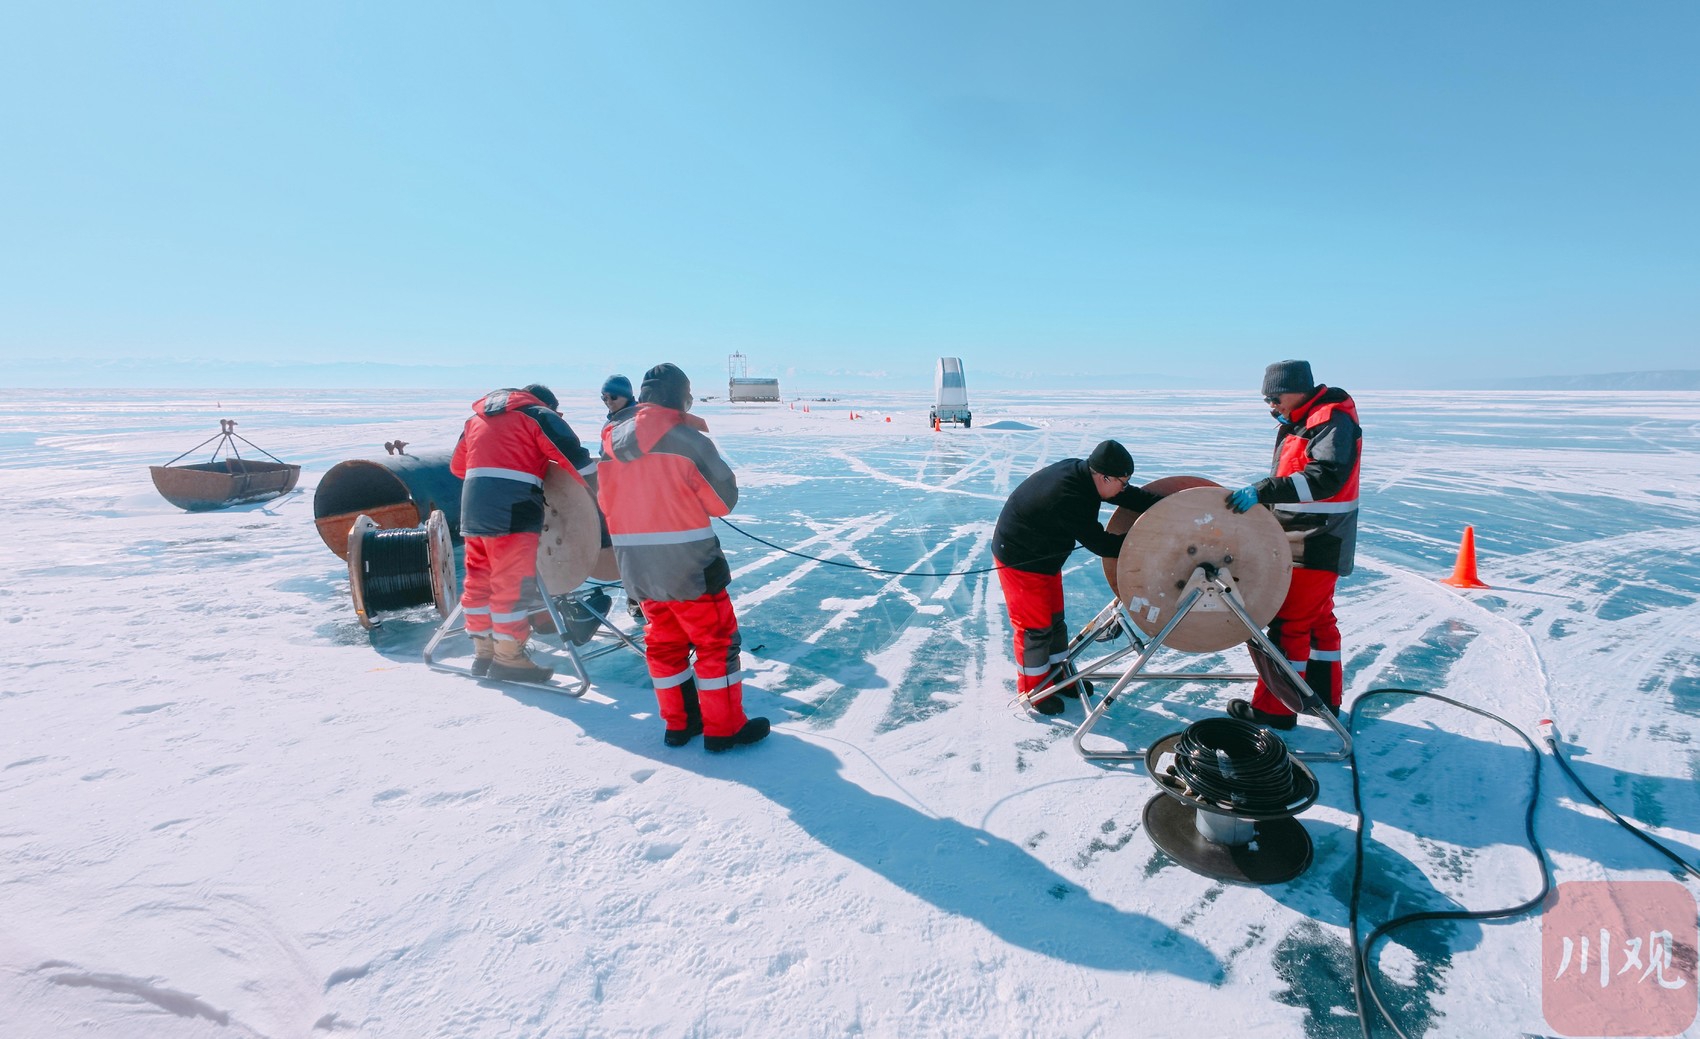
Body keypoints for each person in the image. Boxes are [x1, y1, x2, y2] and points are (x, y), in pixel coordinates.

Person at [597, 363, 769, 751]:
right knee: (716, 643)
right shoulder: (686, 439)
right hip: (689, 566)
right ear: (680, 399)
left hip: (638, 569)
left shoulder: (610, 441)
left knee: (664, 644)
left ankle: (680, 724)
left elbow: (605, 502)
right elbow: (722, 501)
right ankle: (724, 729)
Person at [1223, 359, 1362, 729]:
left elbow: (1325, 477)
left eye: (1275, 398)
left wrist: (1265, 490)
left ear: (1298, 390)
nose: (1271, 406)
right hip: (1306, 536)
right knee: (1317, 622)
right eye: (1266, 400)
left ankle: (1275, 710)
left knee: (1289, 625)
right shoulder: (1304, 419)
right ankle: (1322, 697)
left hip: (1315, 540)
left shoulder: (1329, 419)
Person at [992, 440, 1163, 715]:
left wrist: (1164, 506)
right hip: (1020, 558)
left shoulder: (1086, 475)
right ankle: (1035, 691)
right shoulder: (1069, 495)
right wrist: (1145, 541)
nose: (1125, 487)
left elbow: (1127, 496)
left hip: (1045, 555)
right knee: (1035, 628)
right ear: (1104, 477)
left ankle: (1059, 677)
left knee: (1055, 621)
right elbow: (1102, 545)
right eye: (1122, 482)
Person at [451, 383, 598, 682]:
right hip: (513, 510)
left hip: (473, 509)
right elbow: (577, 461)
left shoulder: (475, 420)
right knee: (511, 585)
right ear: (548, 405)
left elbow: (458, 467)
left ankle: (484, 652)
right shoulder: (537, 415)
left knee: (479, 579)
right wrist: (600, 497)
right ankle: (509, 659)